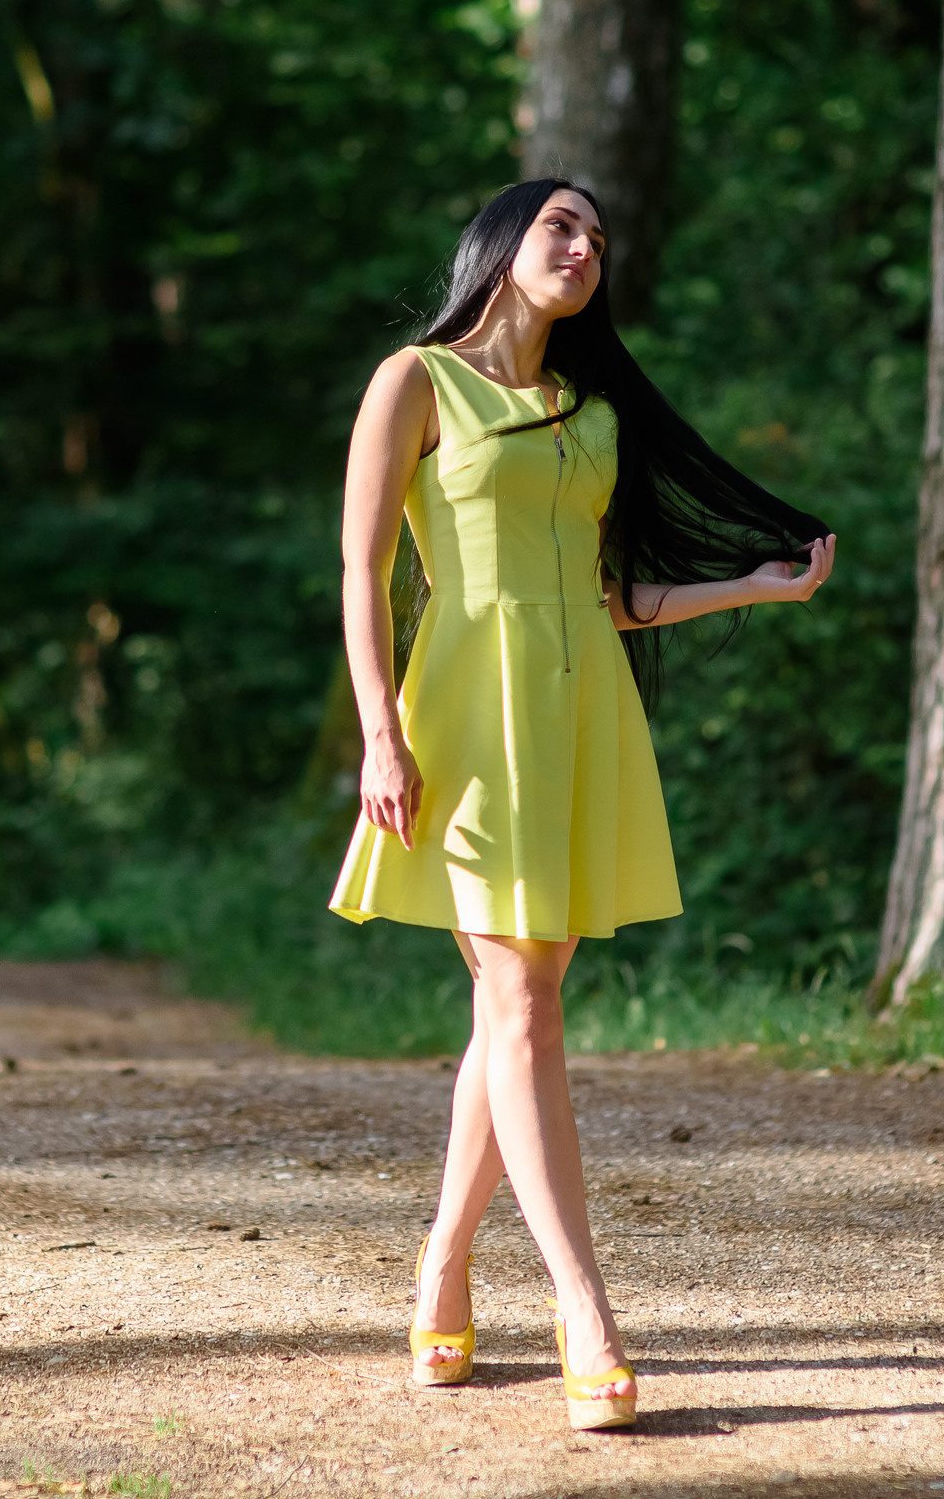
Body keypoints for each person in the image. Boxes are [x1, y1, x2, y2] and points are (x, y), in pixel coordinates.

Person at [329, 179, 834, 1431]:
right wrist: (379, 734)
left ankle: (442, 1264)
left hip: (577, 711)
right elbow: (362, 564)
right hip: (461, 716)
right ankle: (583, 1308)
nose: (584, 249)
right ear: (501, 245)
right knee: (522, 1007)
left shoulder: (589, 413)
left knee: (520, 1009)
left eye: (598, 239)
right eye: (562, 226)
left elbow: (612, 597)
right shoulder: (415, 381)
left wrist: (753, 586)